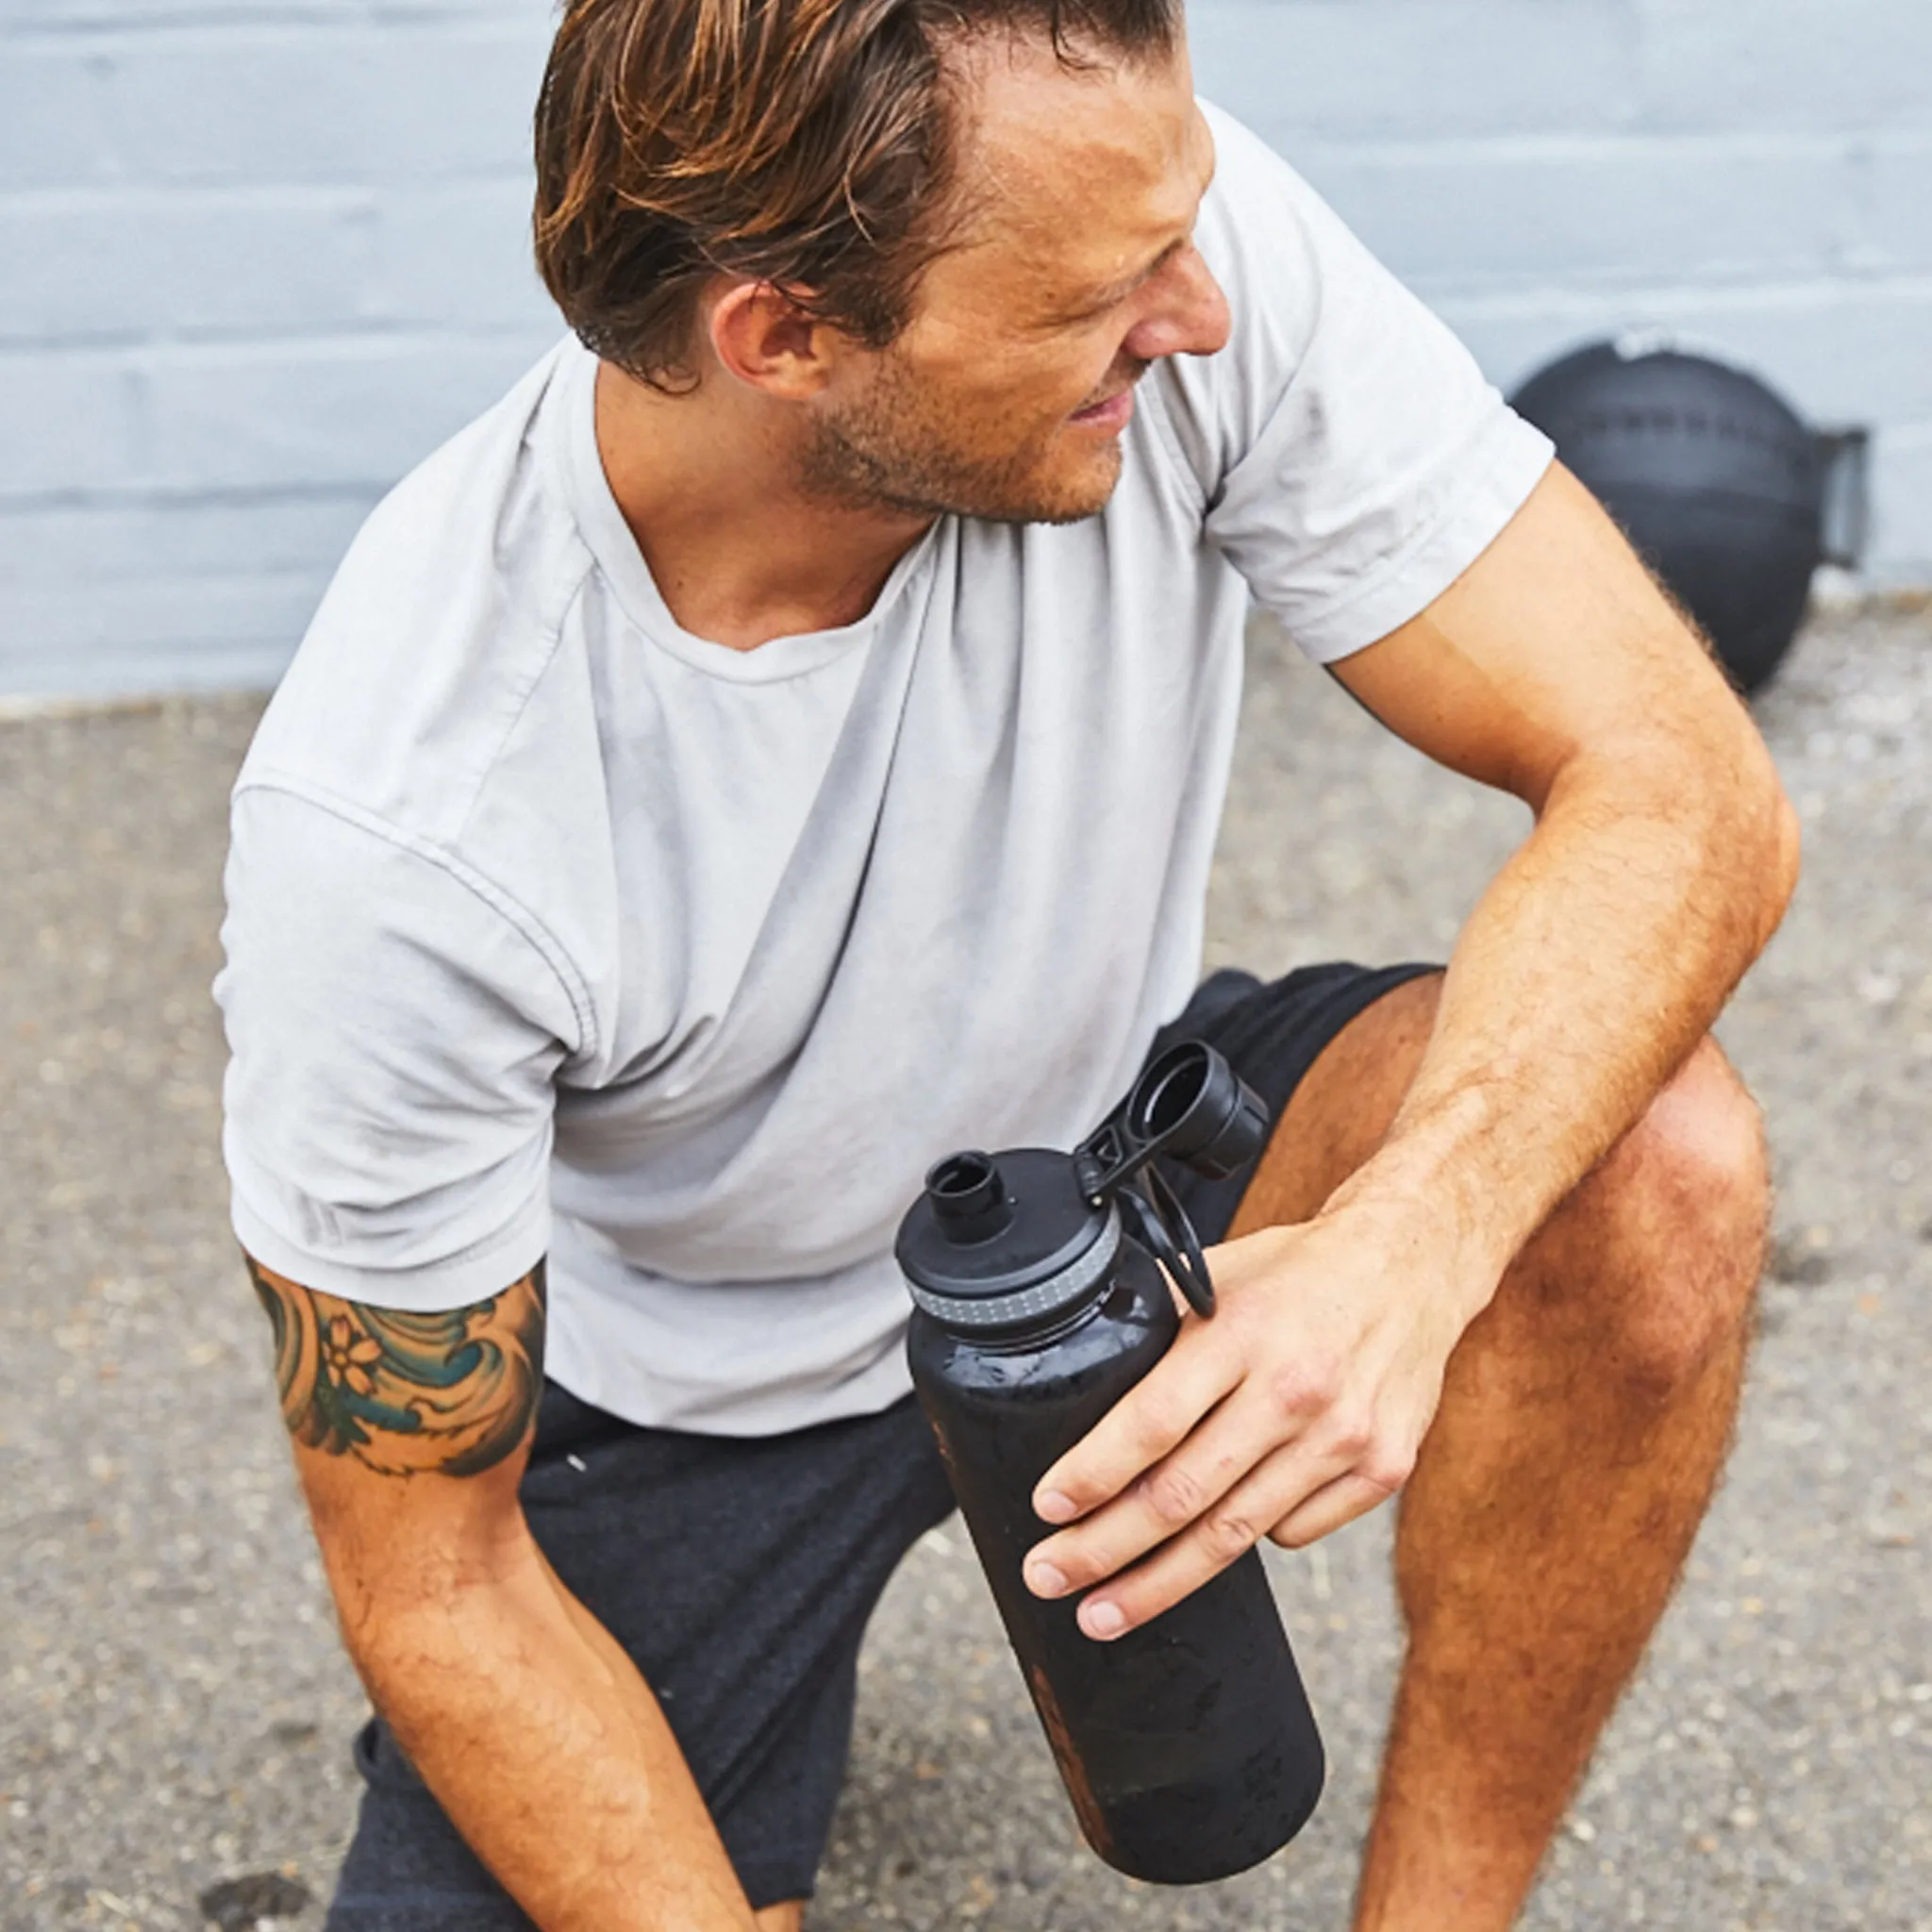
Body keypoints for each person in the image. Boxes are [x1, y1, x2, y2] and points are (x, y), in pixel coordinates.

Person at [214, 0, 1798, 1924]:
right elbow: (430, 1583)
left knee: (1649, 1166)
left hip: (1114, 1175)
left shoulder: (1155, 243)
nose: (1197, 312)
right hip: (690, 1385)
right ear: (785, 335)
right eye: (1104, 296)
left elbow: (1681, 784)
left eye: (1183, 237)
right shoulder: (408, 820)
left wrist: (1414, 1239)